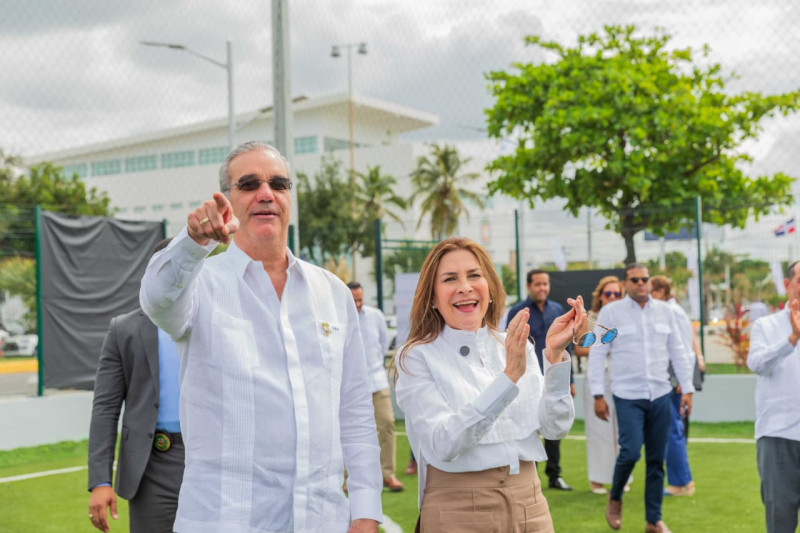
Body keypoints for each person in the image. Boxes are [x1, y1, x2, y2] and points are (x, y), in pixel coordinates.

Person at [139, 141, 382, 533]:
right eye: (249, 184)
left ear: (289, 197)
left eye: (278, 184)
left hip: (321, 521)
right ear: (228, 201)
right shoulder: (200, 285)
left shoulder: (333, 293)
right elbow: (156, 299)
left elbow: (354, 410)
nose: (265, 194)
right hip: (226, 521)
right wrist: (193, 242)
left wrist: (367, 510)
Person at [394, 237, 583, 532]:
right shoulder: (417, 357)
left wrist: (556, 356)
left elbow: (555, 428)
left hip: (530, 502)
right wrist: (508, 379)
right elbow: (444, 443)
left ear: (491, 288)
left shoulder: (516, 343)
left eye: (474, 275)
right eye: (449, 279)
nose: (464, 287)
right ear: (431, 297)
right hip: (458, 509)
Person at [589, 264, 695, 533]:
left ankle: (653, 520)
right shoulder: (611, 313)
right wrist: (597, 394)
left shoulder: (666, 312)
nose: (640, 284)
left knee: (656, 461)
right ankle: (615, 498)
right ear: (625, 283)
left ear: (650, 282)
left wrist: (688, 388)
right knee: (631, 451)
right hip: (627, 395)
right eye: (634, 280)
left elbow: (678, 352)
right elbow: (598, 353)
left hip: (660, 393)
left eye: (644, 279)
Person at [87, 239, 184, 533]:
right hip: (151, 465)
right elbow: (105, 408)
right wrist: (101, 481)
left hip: (211, 458)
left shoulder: (216, 324)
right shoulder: (124, 329)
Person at [506, 269, 575, 491]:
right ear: (528, 286)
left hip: (552, 377)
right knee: (528, 425)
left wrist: (569, 379)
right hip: (527, 380)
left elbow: (567, 346)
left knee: (553, 429)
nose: (542, 288)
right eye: (537, 284)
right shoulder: (518, 311)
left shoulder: (556, 309)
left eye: (545, 284)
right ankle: (530, 475)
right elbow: (511, 344)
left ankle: (554, 476)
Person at [747, 260, 800, 533]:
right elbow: (756, 364)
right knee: (781, 520)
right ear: (788, 284)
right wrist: (791, 339)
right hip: (778, 435)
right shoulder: (766, 326)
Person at [650, 275, 705, 497]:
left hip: (674, 378)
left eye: (652, 291)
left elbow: (680, 349)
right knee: (674, 429)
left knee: (672, 430)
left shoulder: (671, 312)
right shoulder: (675, 311)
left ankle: (681, 483)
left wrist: (682, 381)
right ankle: (683, 481)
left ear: (662, 291)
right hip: (676, 376)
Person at [347, 281, 404, 492]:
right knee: (347, 430)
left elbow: (381, 345)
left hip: (376, 380)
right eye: (353, 301)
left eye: (360, 300)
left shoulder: (376, 316)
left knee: (387, 423)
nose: (358, 304)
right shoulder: (338, 316)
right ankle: (346, 477)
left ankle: (387, 475)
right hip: (349, 385)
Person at [574, 275, 627, 495]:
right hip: (596, 379)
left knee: (621, 431)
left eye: (617, 294)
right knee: (599, 430)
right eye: (608, 293)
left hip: (621, 379)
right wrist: (604, 347)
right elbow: (579, 348)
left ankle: (621, 477)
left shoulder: (625, 318)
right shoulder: (590, 318)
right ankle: (597, 480)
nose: (613, 297)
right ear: (600, 296)